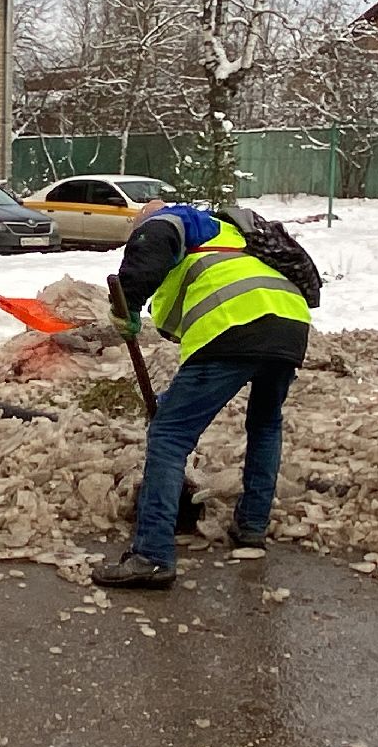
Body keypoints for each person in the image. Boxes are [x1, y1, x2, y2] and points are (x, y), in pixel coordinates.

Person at [92, 200, 312, 590]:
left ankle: (152, 555)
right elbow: (184, 331)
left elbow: (153, 238)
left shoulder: (180, 220)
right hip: (290, 325)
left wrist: (127, 298)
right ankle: (251, 527)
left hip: (236, 324)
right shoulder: (231, 240)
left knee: (168, 437)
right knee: (264, 424)